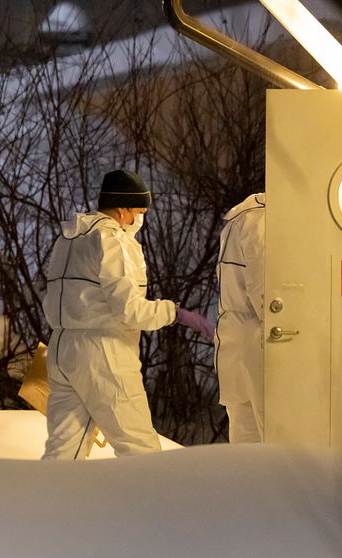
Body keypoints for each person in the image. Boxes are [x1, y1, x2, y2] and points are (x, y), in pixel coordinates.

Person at [41, 169, 213, 460]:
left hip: (63, 350)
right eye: (138, 211)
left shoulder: (68, 239)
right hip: (105, 352)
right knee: (140, 449)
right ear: (123, 209)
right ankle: (148, 505)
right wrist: (174, 313)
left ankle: (40, 505)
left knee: (63, 451)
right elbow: (130, 311)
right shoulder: (112, 241)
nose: (140, 219)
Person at [215, 192, 266, 443]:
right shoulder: (261, 220)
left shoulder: (238, 220)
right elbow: (265, 293)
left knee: (245, 438)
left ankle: (247, 483)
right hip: (259, 339)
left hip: (233, 340)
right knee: (273, 437)